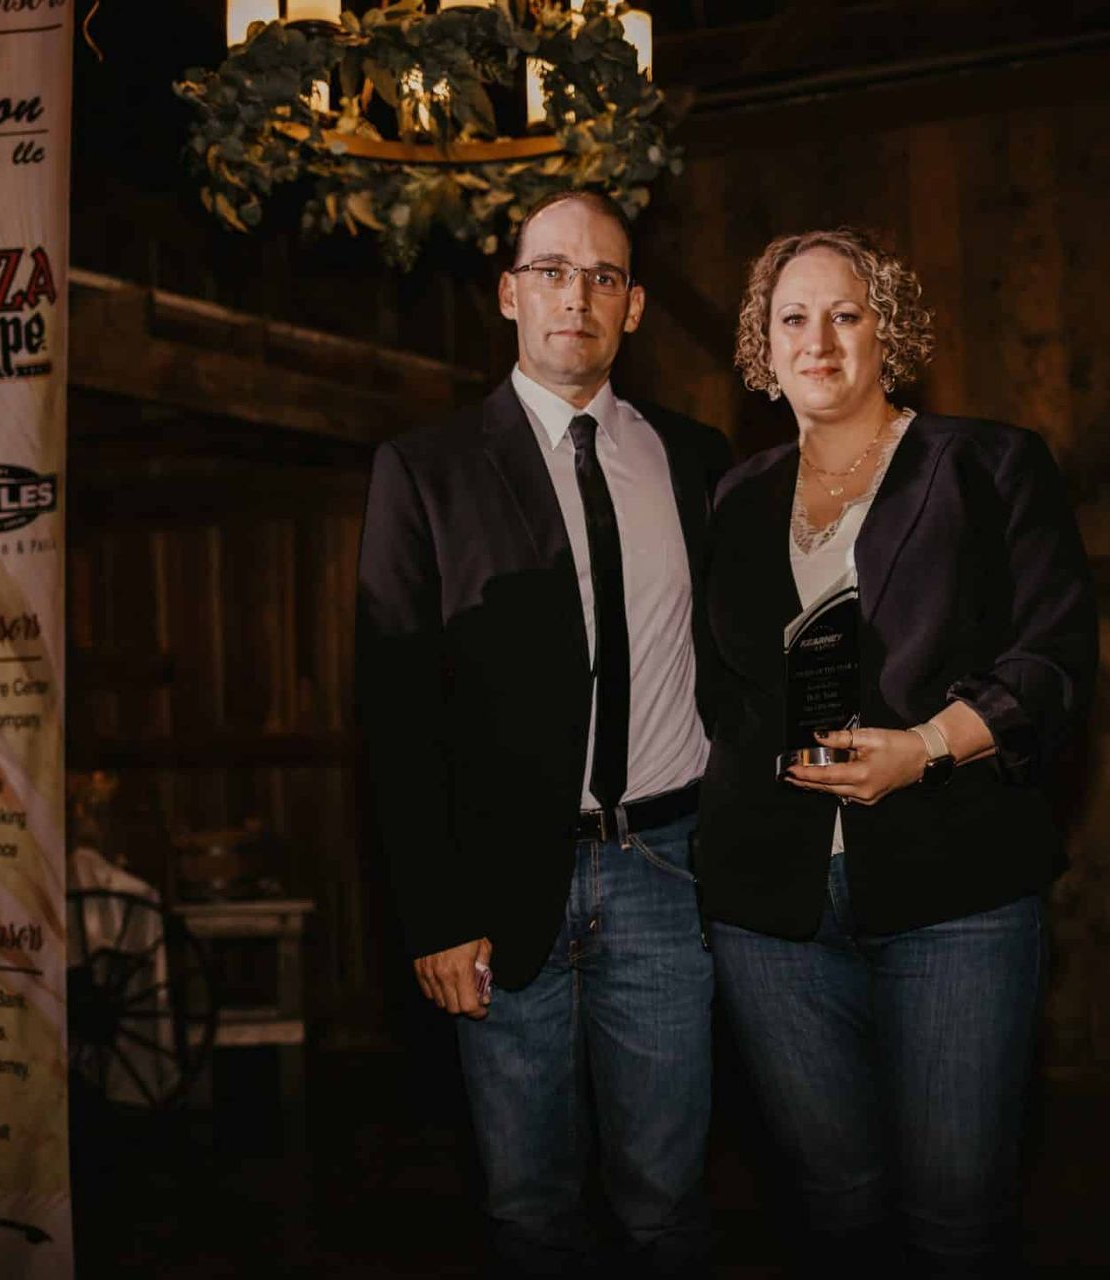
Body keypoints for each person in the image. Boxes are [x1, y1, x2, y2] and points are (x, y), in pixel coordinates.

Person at [696, 227, 1096, 1273]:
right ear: (764, 347)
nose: (817, 339)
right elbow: (720, 690)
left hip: (954, 889)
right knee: (833, 1206)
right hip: (769, 909)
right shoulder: (734, 499)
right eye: (793, 318)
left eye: (845, 313)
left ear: (890, 330)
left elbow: (1052, 661)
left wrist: (925, 746)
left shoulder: (989, 462)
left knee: (957, 1213)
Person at [355, 188, 730, 1275]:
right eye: (554, 270)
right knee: (527, 1209)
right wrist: (433, 910)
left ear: (637, 306)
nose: (580, 294)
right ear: (511, 293)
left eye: (605, 275)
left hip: (667, 870)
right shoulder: (423, 470)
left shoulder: (696, 462)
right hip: (498, 888)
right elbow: (395, 706)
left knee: (667, 1204)